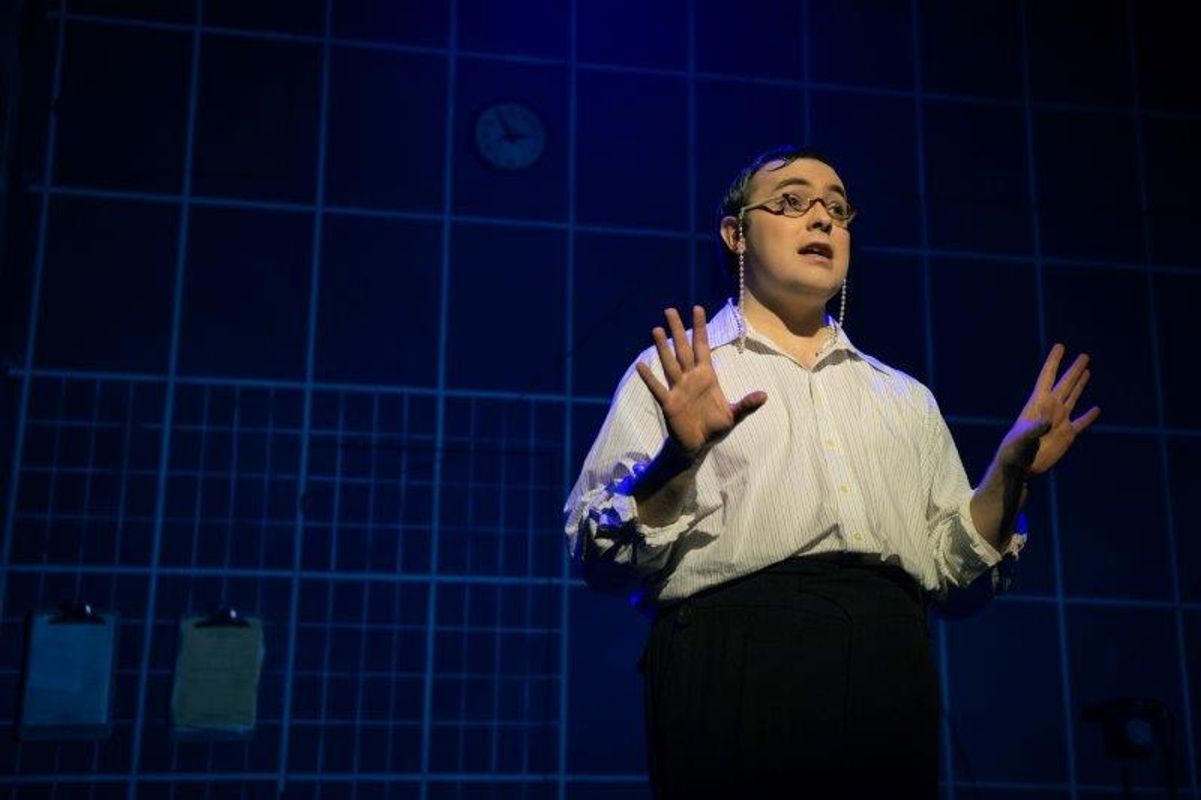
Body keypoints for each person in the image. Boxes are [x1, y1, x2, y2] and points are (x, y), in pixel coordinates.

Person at [562, 145, 1100, 799]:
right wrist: (678, 459)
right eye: (791, 202)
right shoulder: (680, 372)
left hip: (888, 663)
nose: (821, 218)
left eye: (837, 210)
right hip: (735, 656)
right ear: (735, 234)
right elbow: (599, 558)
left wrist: (1009, 475)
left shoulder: (904, 397)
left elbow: (956, 578)